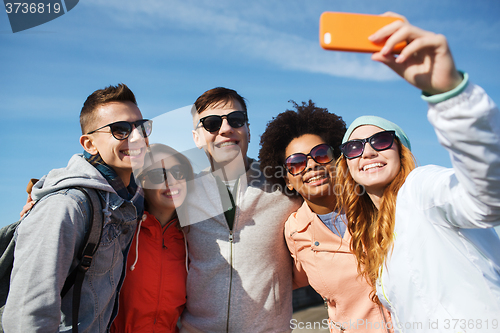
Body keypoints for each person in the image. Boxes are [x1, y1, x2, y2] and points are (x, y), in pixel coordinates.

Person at [335, 15, 500, 332]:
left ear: (401, 151)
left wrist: (451, 95)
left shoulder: (422, 190)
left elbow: (487, 197)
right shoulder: (373, 236)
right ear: (346, 164)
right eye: (354, 147)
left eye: (381, 141)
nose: (367, 151)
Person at [3, 84, 151, 332]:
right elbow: (27, 316)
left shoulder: (130, 198)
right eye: (121, 130)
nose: (137, 138)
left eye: (141, 127)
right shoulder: (65, 206)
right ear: (89, 144)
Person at [259, 101, 393, 332]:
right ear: (288, 181)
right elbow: (286, 278)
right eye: (296, 163)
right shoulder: (294, 232)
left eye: (320, 154)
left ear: (338, 161)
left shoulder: (380, 202)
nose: (310, 165)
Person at [180, 87, 302, 332]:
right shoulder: (180, 194)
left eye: (235, 120)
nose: (225, 129)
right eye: (211, 123)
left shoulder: (286, 185)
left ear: (248, 130)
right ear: (196, 138)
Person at [111, 144, 193, 333]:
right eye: (158, 175)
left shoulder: (193, 238)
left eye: (178, 172)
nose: (171, 181)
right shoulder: (121, 230)